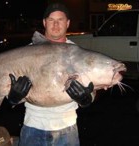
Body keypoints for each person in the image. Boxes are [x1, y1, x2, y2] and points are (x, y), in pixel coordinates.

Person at [7, 2, 95, 146]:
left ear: (67, 23)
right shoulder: (26, 53)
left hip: (67, 129)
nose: (55, 25)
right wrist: (13, 97)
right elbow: (8, 87)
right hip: (33, 127)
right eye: (51, 20)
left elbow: (92, 87)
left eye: (60, 20)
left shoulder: (78, 53)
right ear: (44, 23)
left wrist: (86, 99)